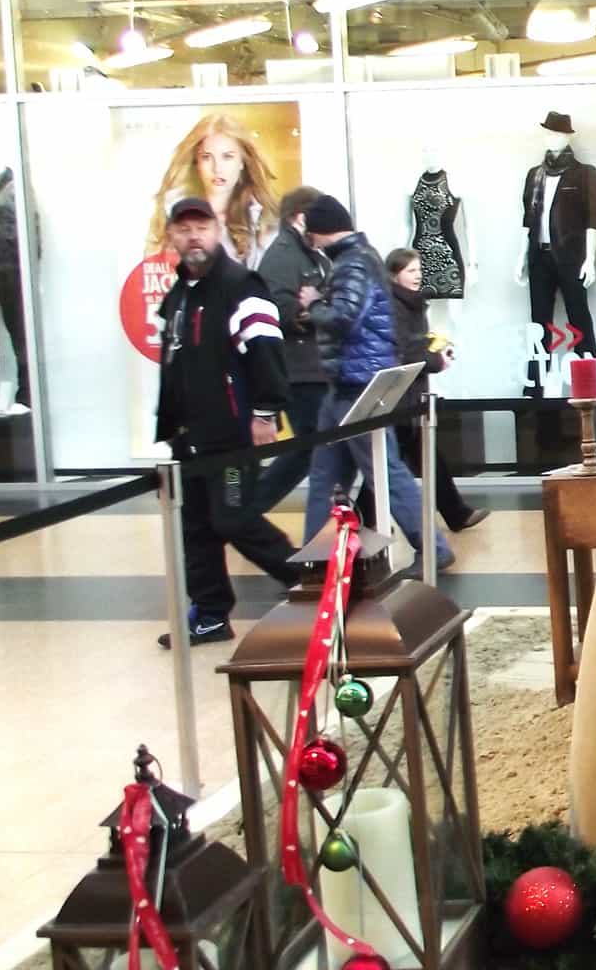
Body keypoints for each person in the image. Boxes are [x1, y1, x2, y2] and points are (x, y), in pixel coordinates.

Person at [153, 196, 298, 645]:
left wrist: (265, 413)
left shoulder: (241, 286)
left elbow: (267, 351)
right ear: (172, 236)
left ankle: (310, 578)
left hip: (231, 436)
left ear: (216, 231)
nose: (193, 236)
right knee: (195, 528)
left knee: (233, 519)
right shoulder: (179, 294)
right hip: (189, 438)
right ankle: (211, 615)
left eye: (201, 227)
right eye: (184, 229)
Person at [297, 196, 453, 571]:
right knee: (327, 475)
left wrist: (313, 304)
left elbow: (344, 316)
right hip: (351, 381)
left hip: (358, 383)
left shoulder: (352, 263)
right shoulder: (360, 258)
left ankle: (433, 548)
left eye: (309, 232)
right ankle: (316, 559)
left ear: (319, 231)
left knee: (384, 472)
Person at [376, 245, 485, 532]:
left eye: (419, 270)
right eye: (410, 270)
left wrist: (434, 348)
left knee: (413, 459)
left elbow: (413, 345)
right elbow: (403, 350)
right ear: (395, 274)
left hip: (412, 396)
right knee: (392, 463)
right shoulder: (394, 306)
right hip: (400, 397)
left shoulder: (412, 304)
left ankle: (456, 513)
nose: (417, 275)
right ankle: (365, 519)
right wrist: (435, 359)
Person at [249, 185, 331, 513]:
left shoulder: (308, 254)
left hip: (315, 367)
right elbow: (277, 309)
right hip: (300, 370)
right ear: (300, 218)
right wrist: (317, 309)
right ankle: (249, 509)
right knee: (308, 447)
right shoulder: (283, 256)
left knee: (320, 447)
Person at [146, 114, 283, 266]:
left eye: (227, 157)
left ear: (242, 162)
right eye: (206, 157)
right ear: (196, 163)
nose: (217, 168)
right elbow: (152, 271)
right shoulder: (170, 212)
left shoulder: (263, 219)